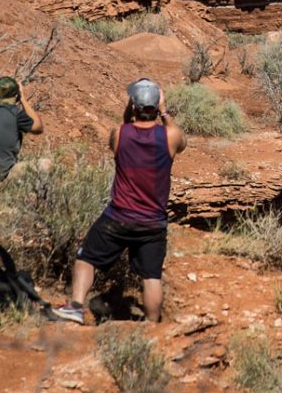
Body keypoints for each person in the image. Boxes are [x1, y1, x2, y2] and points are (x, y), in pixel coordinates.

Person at [53, 80, 187, 325]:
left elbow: (124, 131)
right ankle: (152, 326)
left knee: (87, 259)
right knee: (151, 276)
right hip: (152, 223)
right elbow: (182, 143)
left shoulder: (119, 134)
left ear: (133, 106)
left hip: (118, 218)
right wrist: (164, 111)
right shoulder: (170, 137)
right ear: (157, 106)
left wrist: (130, 110)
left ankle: (75, 307)